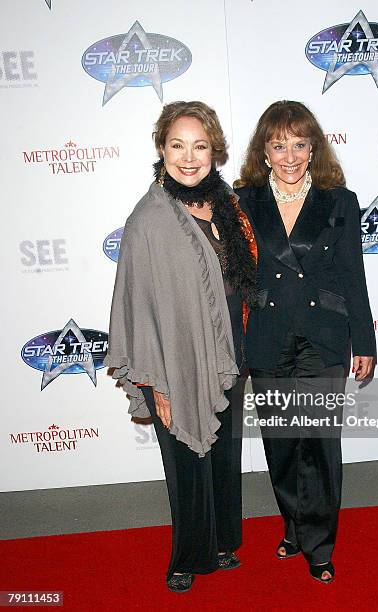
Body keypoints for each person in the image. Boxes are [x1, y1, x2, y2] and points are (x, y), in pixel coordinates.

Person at [105, 101, 257, 593]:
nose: (188, 158)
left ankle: (220, 542)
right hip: (172, 363)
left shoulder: (227, 204)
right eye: (177, 145)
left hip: (228, 355)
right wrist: (154, 383)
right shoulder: (149, 219)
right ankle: (186, 558)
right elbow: (136, 307)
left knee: (223, 456)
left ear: (215, 151)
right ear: (161, 148)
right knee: (186, 464)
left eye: (200, 146)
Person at [234, 100, 376, 584]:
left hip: (323, 338)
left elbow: (353, 275)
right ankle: (294, 523)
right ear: (264, 151)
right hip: (269, 337)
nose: (289, 156)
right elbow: (235, 278)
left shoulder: (340, 201)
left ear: (313, 147)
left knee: (319, 444)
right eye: (278, 145)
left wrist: (365, 340)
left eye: (298, 144)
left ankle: (318, 542)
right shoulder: (244, 201)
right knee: (282, 444)